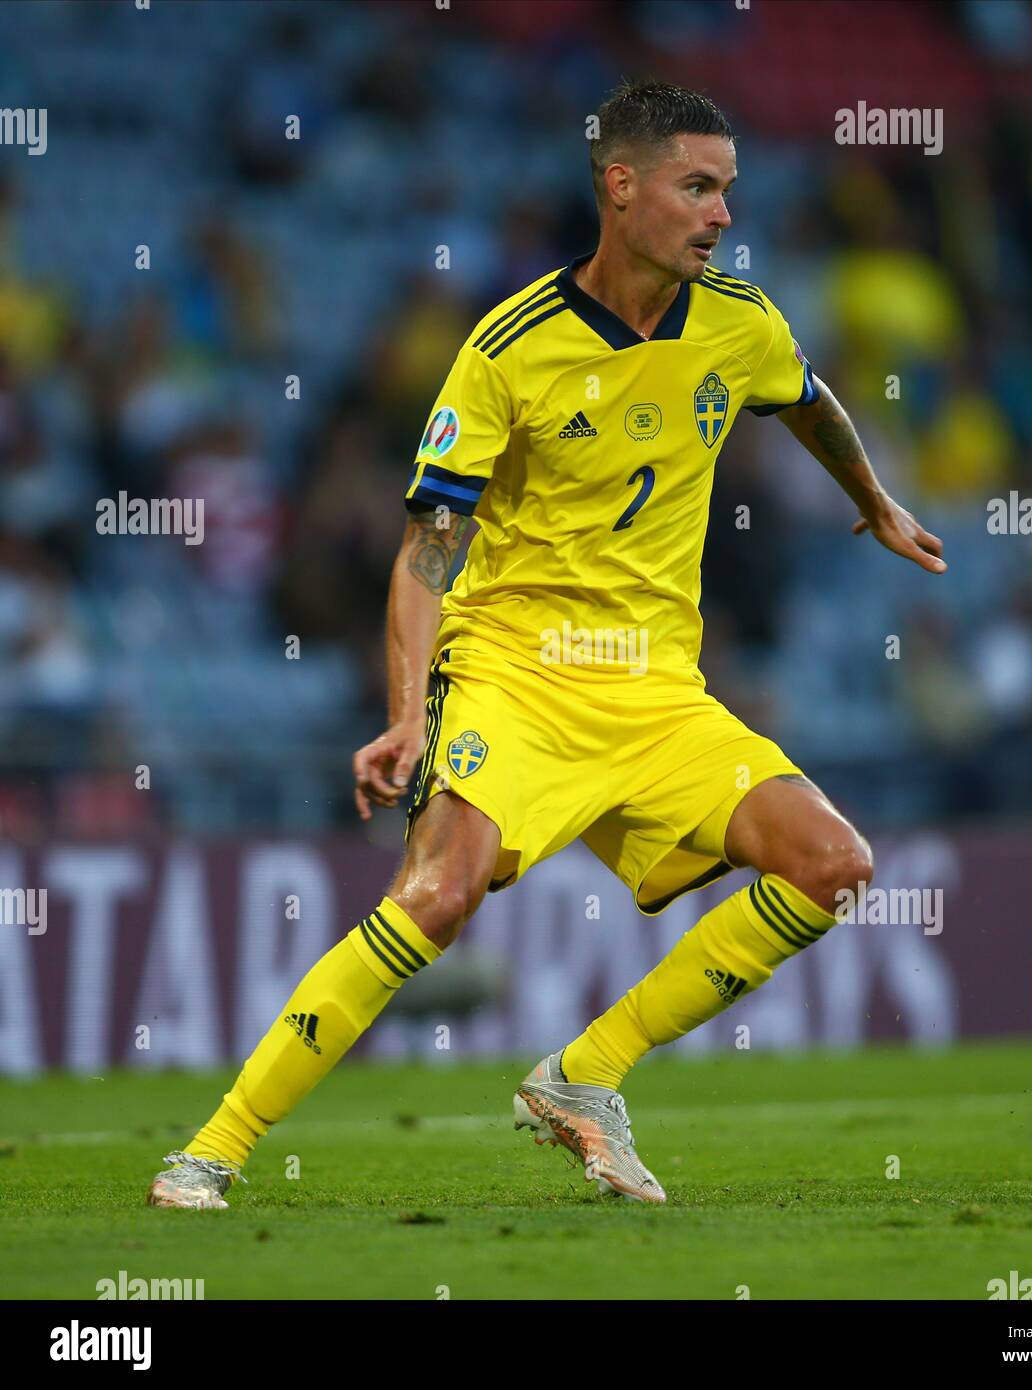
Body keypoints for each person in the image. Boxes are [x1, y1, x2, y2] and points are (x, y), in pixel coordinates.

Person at [148, 79, 944, 1210]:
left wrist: (869, 498)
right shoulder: (507, 346)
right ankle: (210, 1151)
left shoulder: (739, 321)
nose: (721, 214)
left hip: (656, 692)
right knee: (437, 895)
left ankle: (585, 1075)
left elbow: (805, 398)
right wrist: (408, 710)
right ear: (619, 188)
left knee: (832, 866)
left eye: (727, 189)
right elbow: (427, 544)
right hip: (514, 669)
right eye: (696, 187)